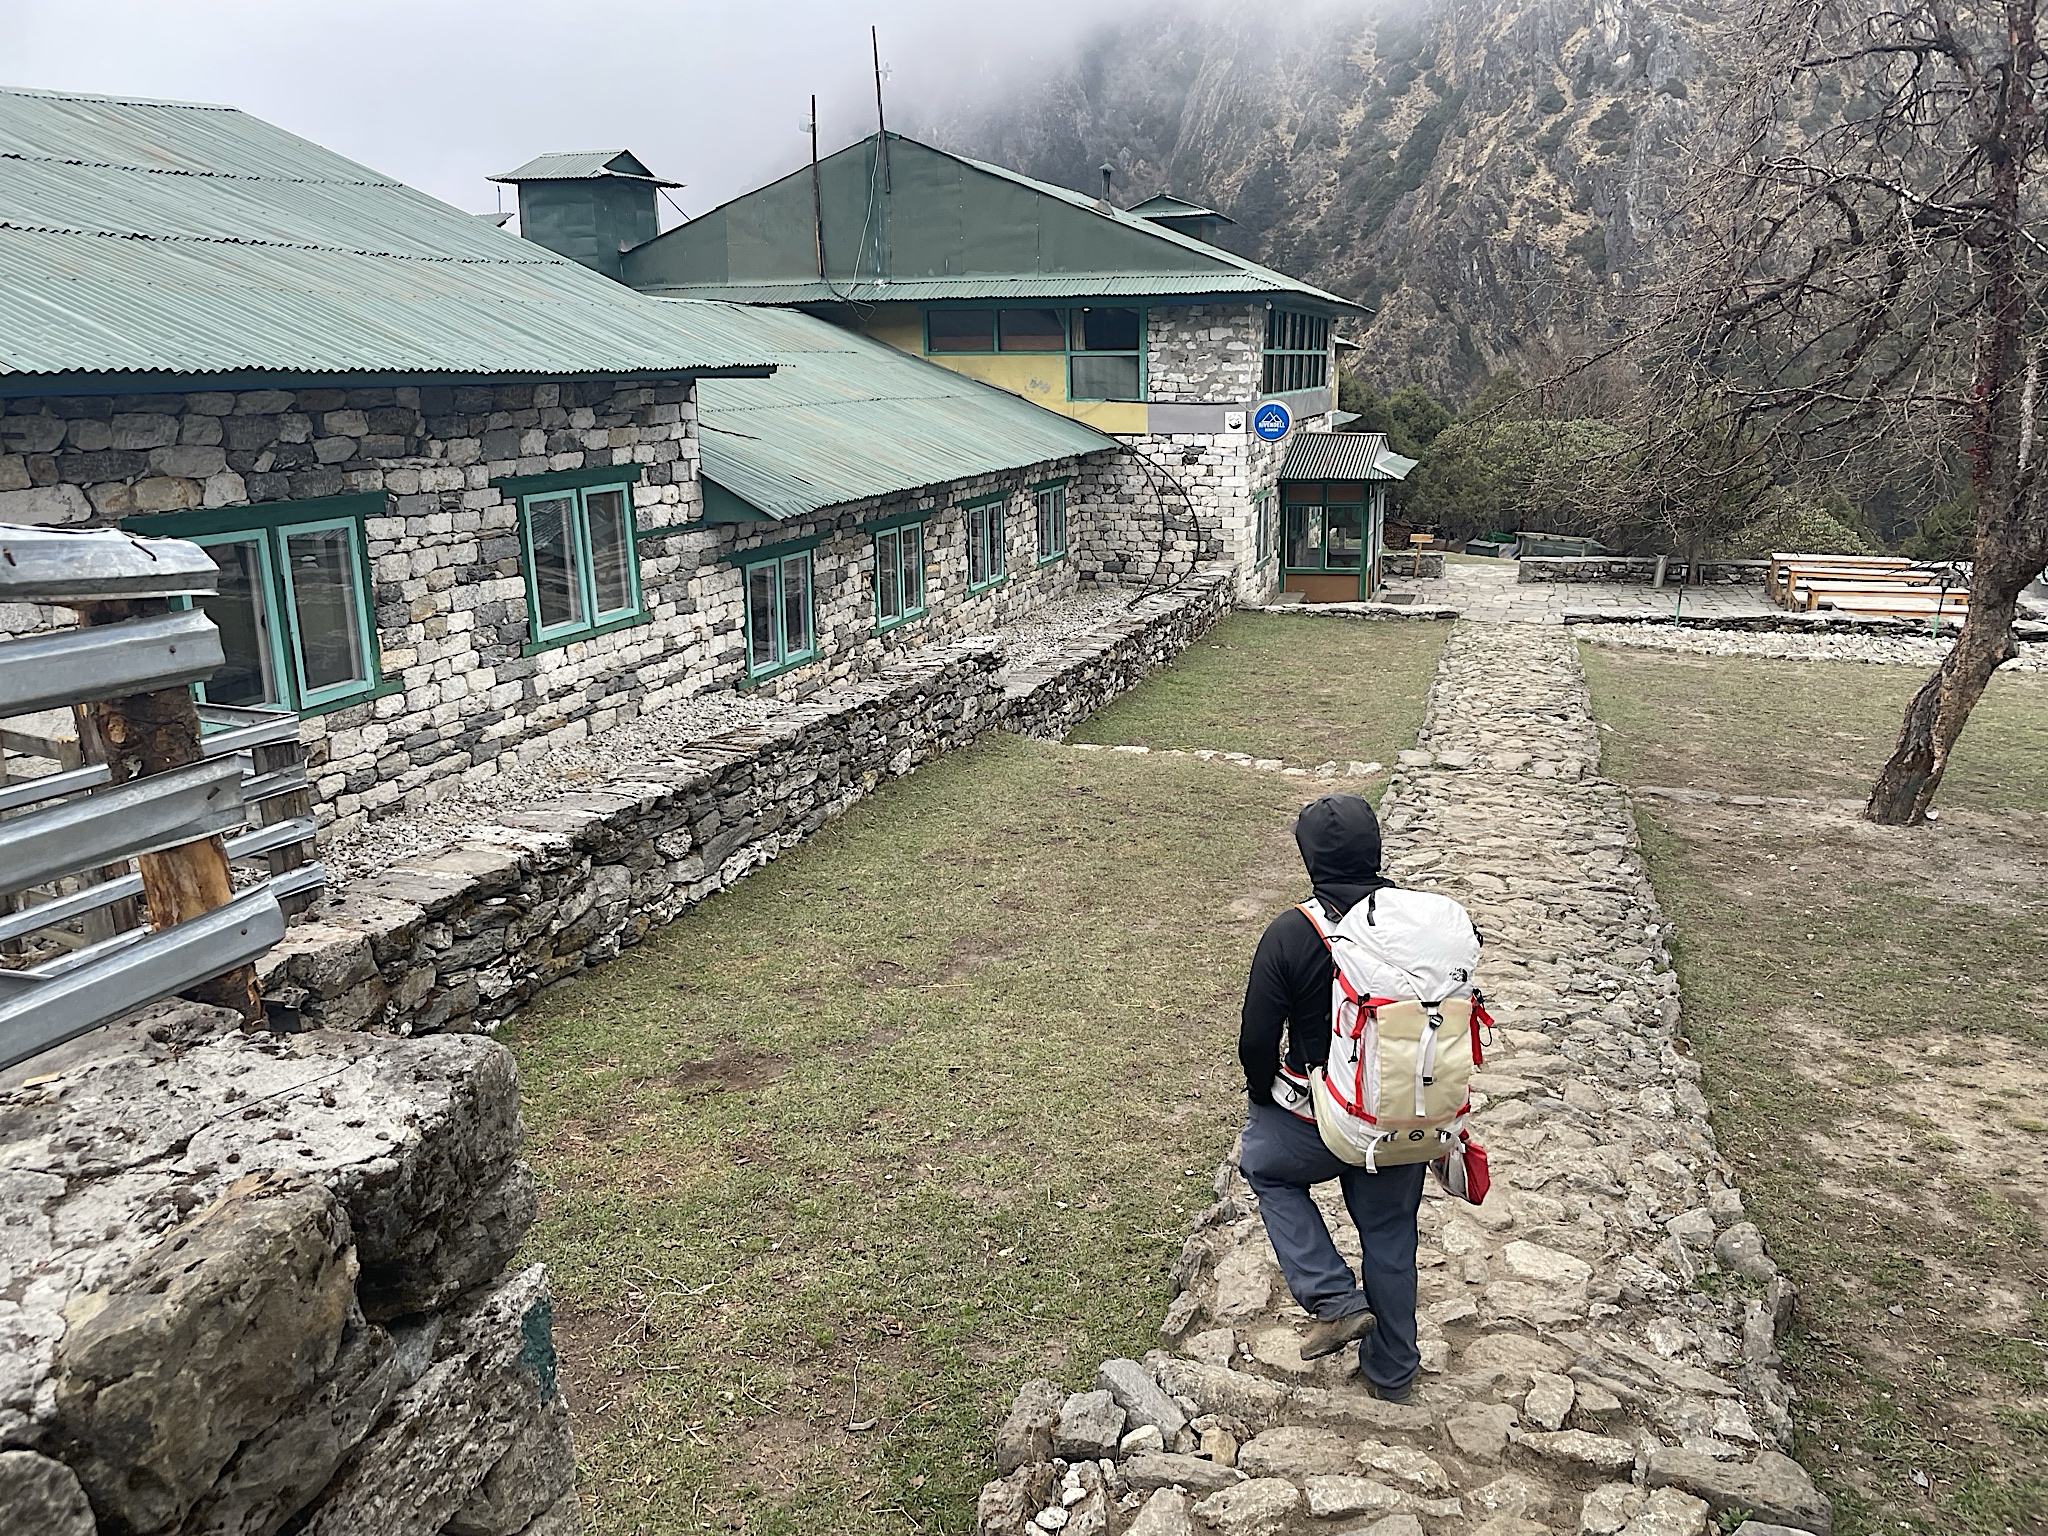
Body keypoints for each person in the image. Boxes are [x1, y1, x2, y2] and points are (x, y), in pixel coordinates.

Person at [1237, 793, 1423, 1402]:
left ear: (1309, 857)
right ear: (1376, 848)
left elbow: (1256, 1043)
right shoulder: (1419, 925)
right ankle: (1393, 1371)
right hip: (1399, 1109)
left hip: (1317, 1120)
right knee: (1390, 1233)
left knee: (1264, 1165)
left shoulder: (1291, 932)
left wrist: (1264, 1096)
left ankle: (1333, 1296)